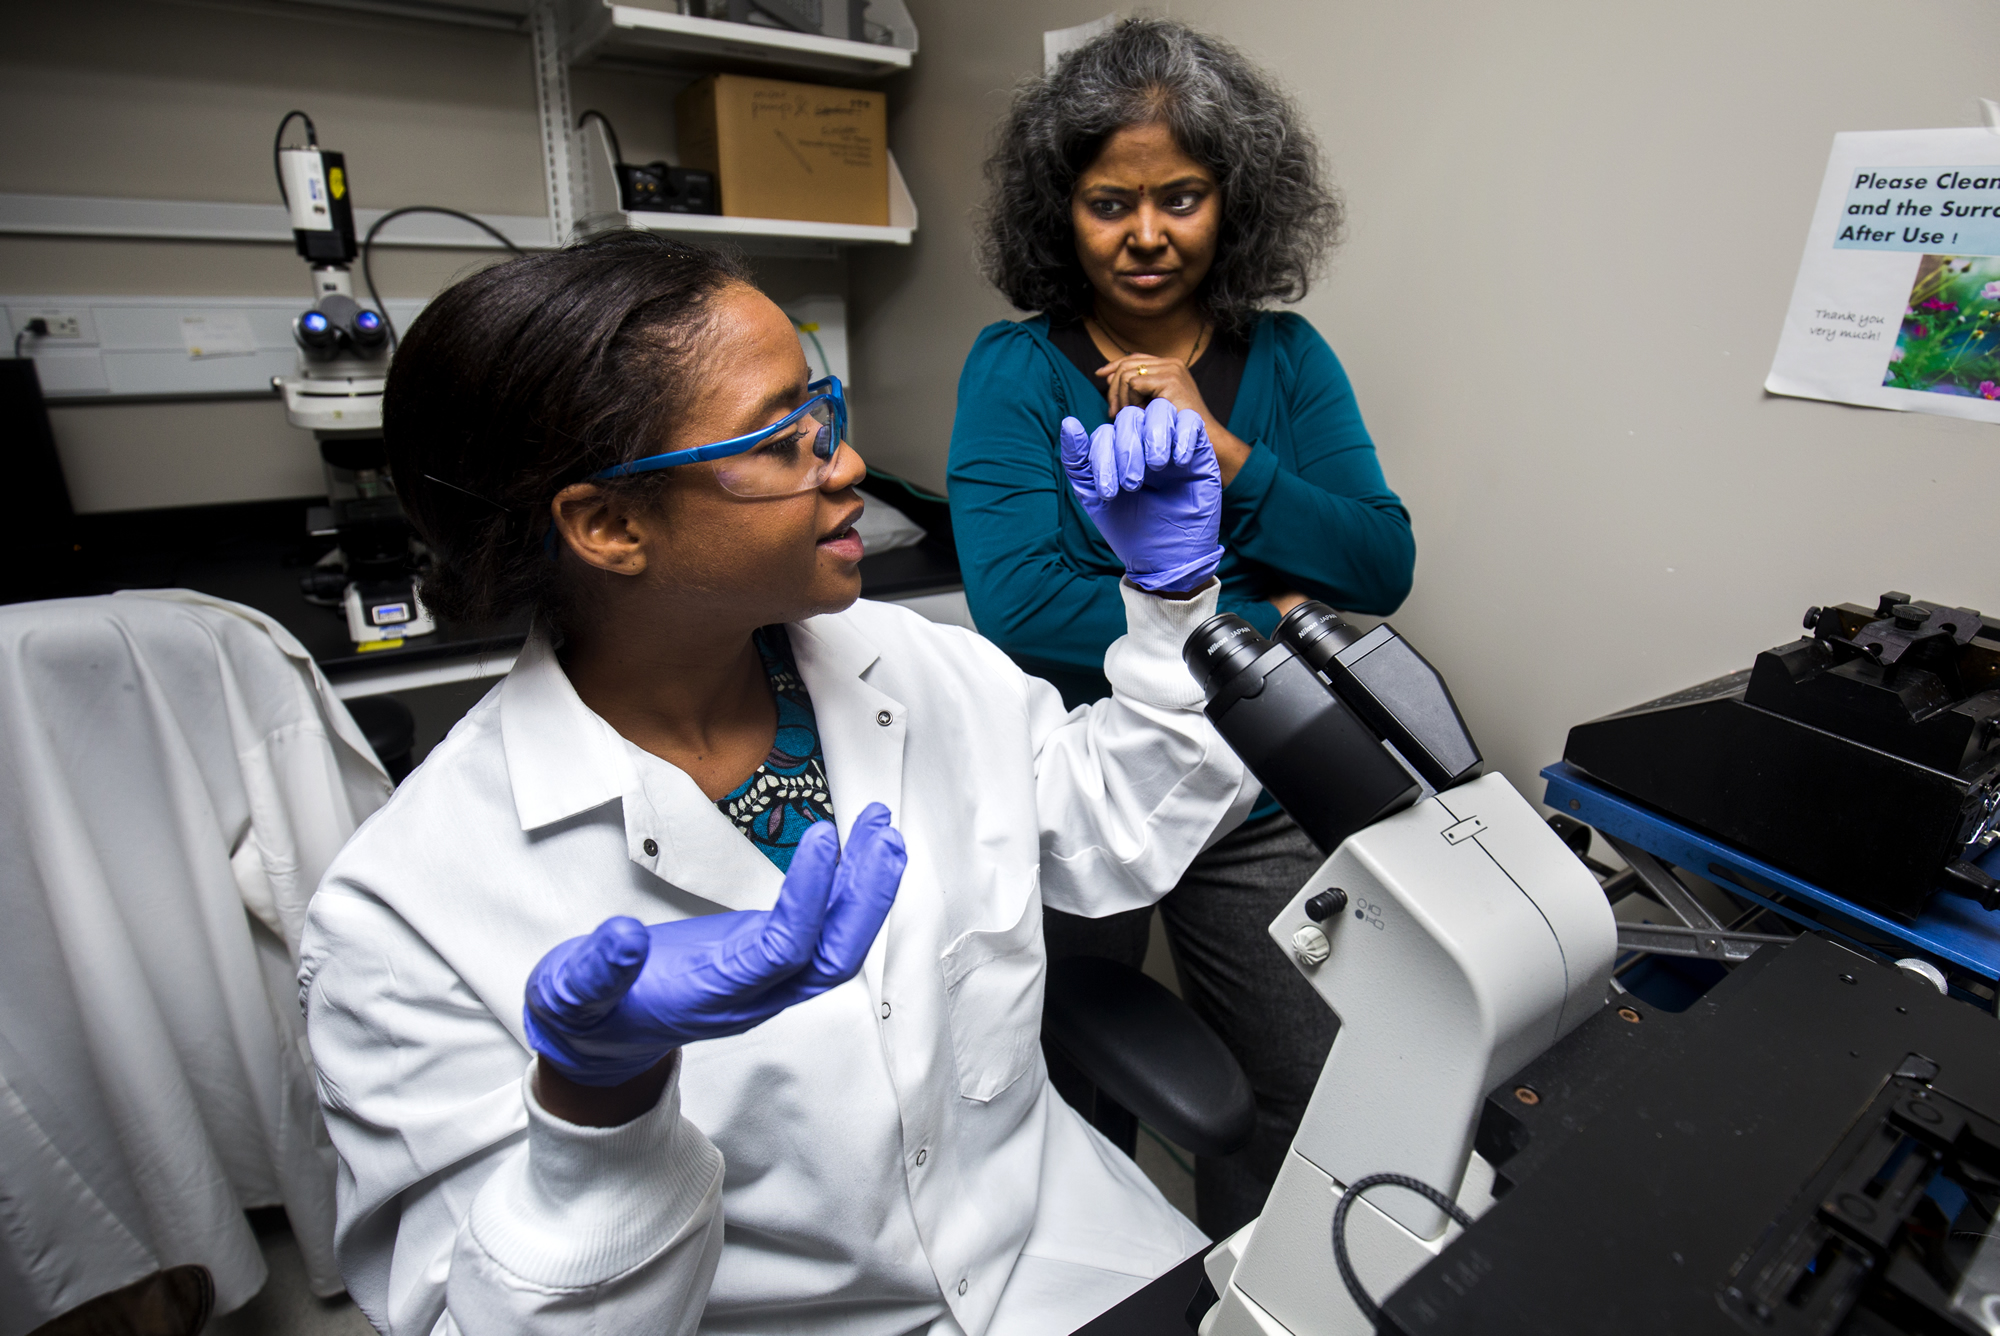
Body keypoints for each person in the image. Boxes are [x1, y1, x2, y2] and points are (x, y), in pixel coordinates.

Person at [297, 231, 1259, 1335]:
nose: (845, 465)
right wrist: (596, 1104)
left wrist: (1174, 593)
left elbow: (1112, 834)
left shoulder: (917, 664)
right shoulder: (400, 914)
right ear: (609, 525)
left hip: (1067, 1259)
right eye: (781, 438)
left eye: (823, 410)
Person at [947, 18, 1416, 1239]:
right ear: (1061, 211)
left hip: (1252, 790)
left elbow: (1379, 560)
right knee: (1060, 1078)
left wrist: (1226, 457)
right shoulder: (1014, 371)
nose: (1145, 235)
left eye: (1180, 197)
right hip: (1075, 780)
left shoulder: (1287, 360)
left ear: (1233, 201)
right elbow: (1017, 606)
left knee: (1301, 1089)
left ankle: (1255, 1293)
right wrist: (1274, 611)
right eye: (1109, 202)